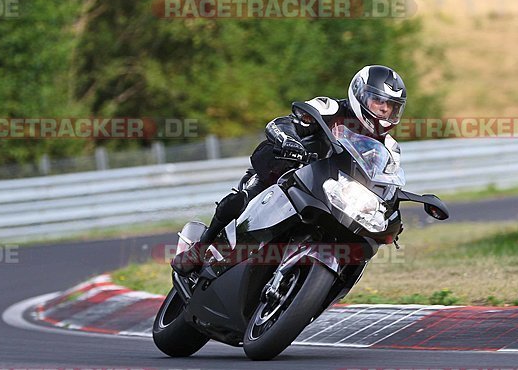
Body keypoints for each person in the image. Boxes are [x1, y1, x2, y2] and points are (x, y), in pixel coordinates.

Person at [171, 64, 407, 275]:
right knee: (244, 197)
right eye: (379, 101)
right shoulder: (330, 108)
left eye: (392, 106)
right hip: (291, 170)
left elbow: (387, 183)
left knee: (363, 238)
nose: (385, 110)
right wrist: (288, 141)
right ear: (360, 94)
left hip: (336, 193)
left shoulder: (389, 149)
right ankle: (201, 248)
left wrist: (392, 210)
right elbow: (282, 123)